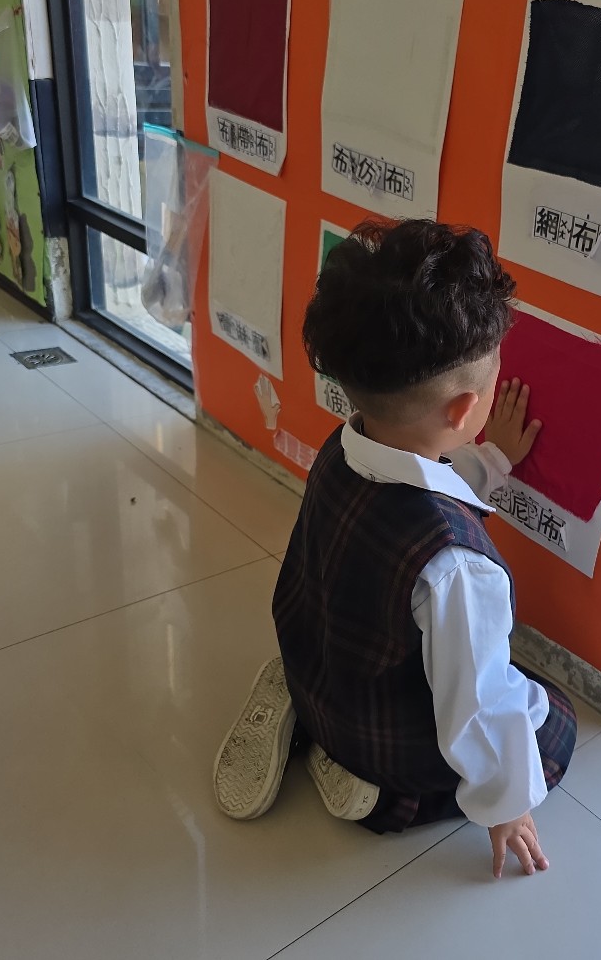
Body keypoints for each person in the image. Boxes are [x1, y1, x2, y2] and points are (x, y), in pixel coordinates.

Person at [213, 219, 576, 879]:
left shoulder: (346, 445)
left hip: (317, 662)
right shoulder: (460, 567)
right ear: (464, 409)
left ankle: (315, 722)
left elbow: (421, 476)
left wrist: (491, 460)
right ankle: (379, 795)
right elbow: (479, 709)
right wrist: (507, 806)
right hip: (384, 743)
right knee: (552, 726)